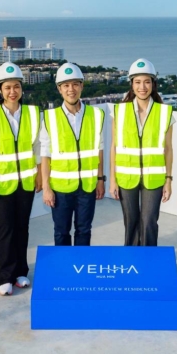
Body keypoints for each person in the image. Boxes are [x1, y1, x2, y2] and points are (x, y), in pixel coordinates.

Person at [0, 62, 41, 297]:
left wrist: (39, 175)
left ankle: (20, 272)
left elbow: (38, 146)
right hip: (2, 183)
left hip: (26, 181)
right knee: (6, 228)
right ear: (0, 90)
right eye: (7, 87)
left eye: (16, 86)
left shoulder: (33, 113)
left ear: (22, 88)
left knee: (22, 227)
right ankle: (5, 276)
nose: (12, 91)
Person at [109, 58, 174, 246]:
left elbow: (168, 149)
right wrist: (113, 179)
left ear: (153, 84)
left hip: (154, 178)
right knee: (130, 222)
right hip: (125, 176)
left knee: (149, 222)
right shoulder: (119, 111)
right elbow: (114, 146)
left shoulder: (164, 112)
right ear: (131, 84)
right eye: (137, 82)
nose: (142, 87)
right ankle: (132, 258)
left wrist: (168, 180)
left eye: (147, 82)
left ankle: (148, 259)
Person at [40, 63, 106, 246]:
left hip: (87, 186)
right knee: (61, 231)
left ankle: (81, 263)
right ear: (59, 89)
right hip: (60, 188)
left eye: (75, 84)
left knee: (84, 230)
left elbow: (99, 150)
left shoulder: (96, 115)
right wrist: (46, 187)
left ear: (82, 86)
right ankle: (63, 264)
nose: (71, 89)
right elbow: (45, 156)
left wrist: (100, 179)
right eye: (66, 85)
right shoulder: (49, 117)